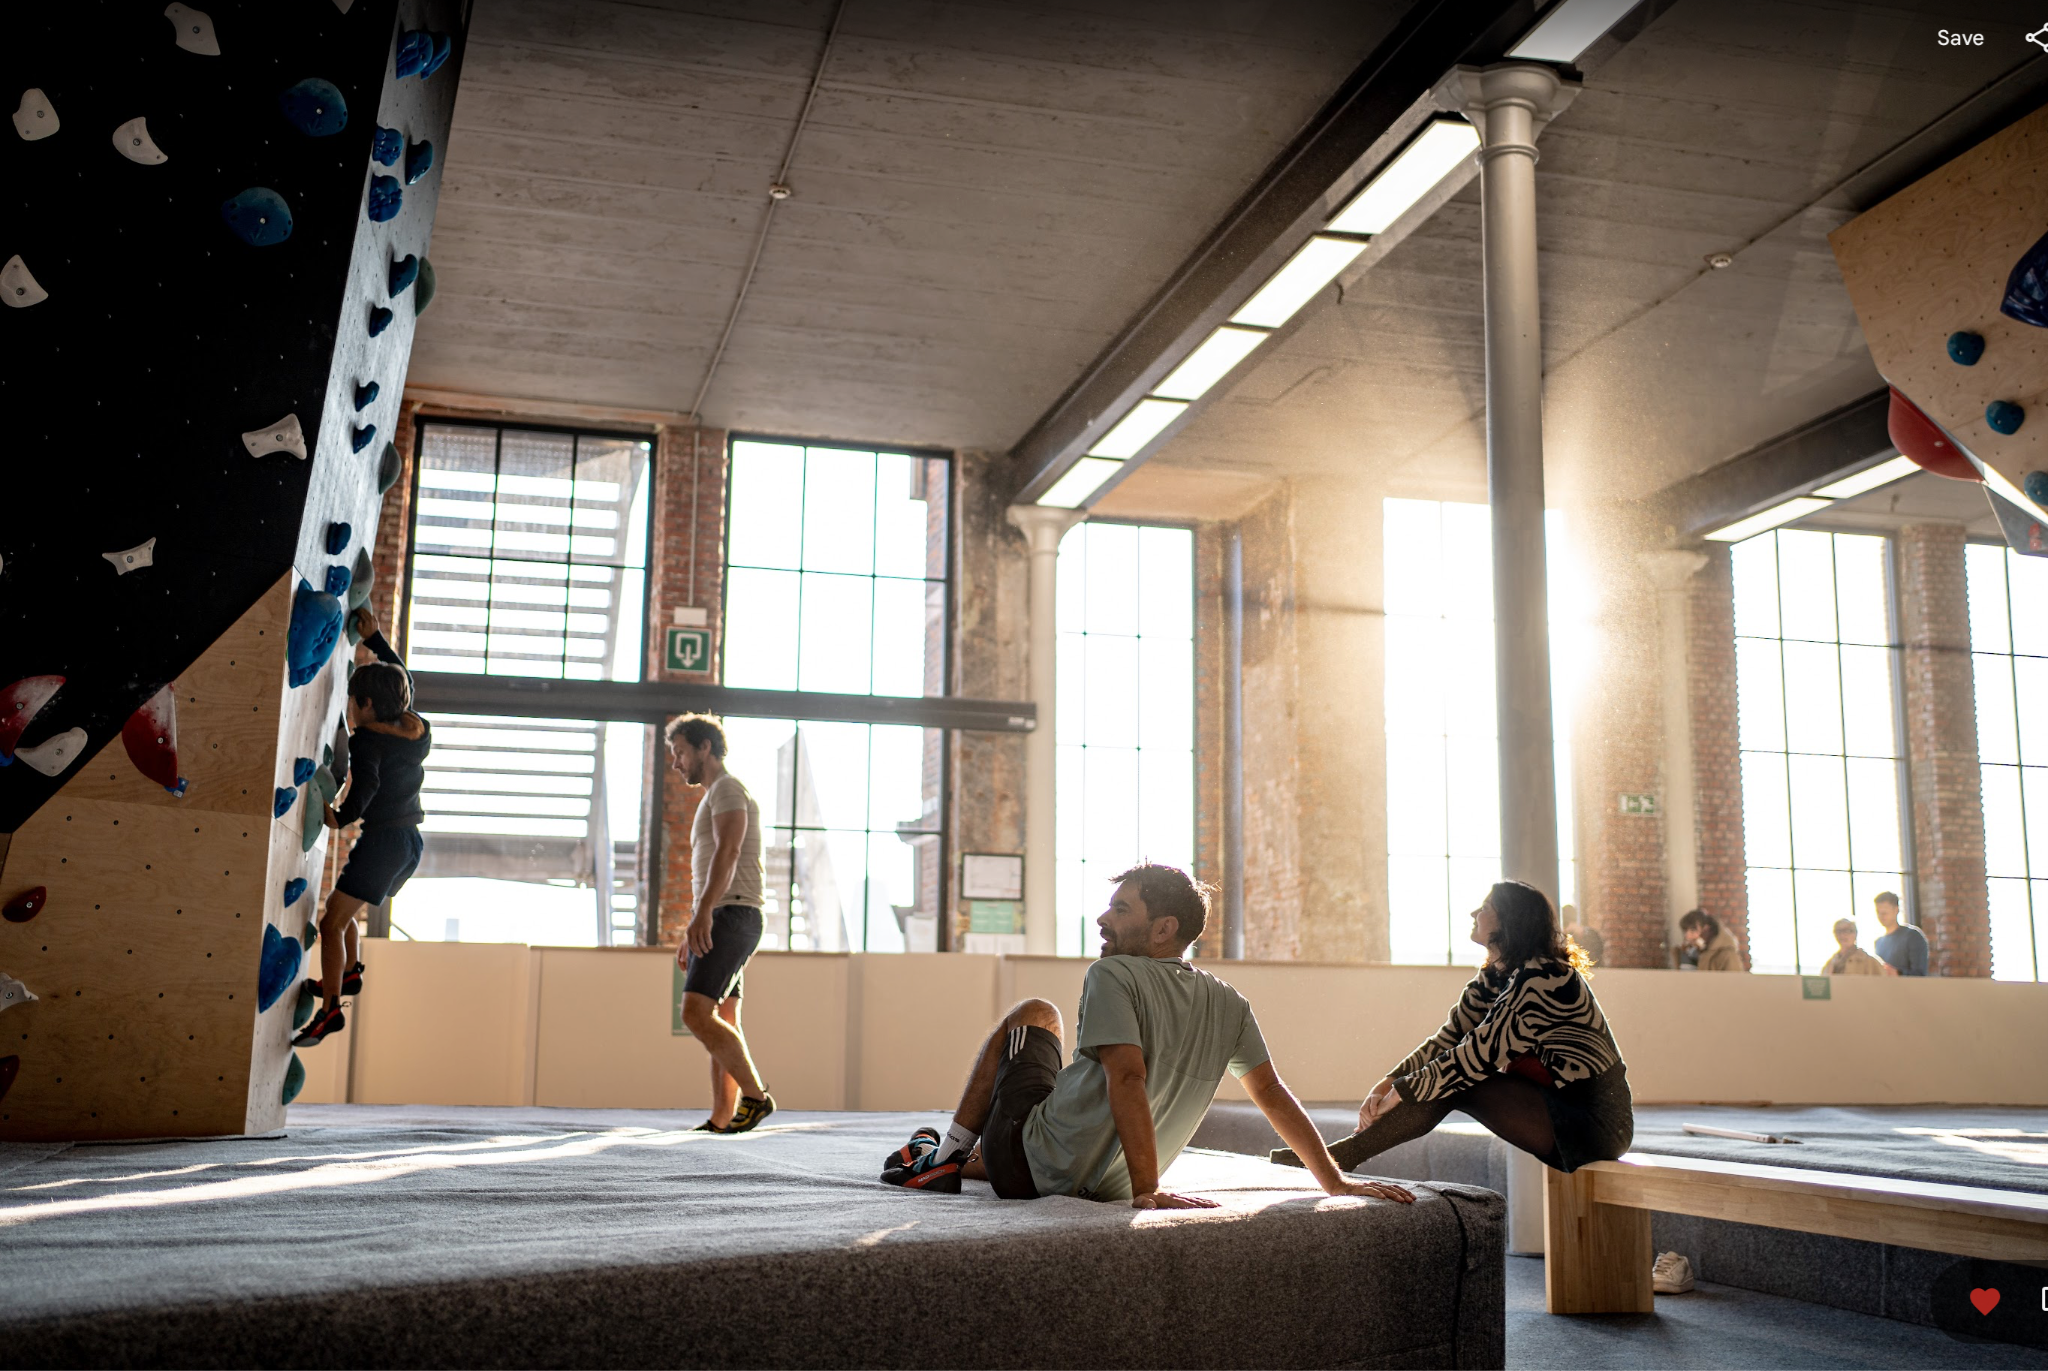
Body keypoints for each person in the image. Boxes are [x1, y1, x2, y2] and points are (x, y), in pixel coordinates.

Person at [879, 863, 1414, 1209]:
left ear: (1164, 929)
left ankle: (946, 1153)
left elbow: (1128, 1076)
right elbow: (1272, 1094)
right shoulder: (1229, 1002)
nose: (1101, 918)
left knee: (1035, 1014)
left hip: (1023, 1163)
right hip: (1096, 1187)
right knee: (1061, 1083)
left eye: (1120, 909)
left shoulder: (1111, 973)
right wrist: (1335, 1181)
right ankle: (943, 1152)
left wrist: (1148, 1189)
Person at [1274, 881, 1633, 1177]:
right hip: (1553, 1106)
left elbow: (1475, 1056)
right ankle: (1337, 1157)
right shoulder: (1495, 975)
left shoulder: (1545, 977)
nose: (1475, 913)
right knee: (1449, 1075)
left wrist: (1401, 1092)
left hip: (1596, 1123)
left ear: (1510, 920)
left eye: (1486, 907)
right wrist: (1386, 1082)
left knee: (1461, 1080)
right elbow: (1448, 1038)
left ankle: (1336, 1158)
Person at [295, 608, 429, 1047]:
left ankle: (330, 1009)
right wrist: (374, 641)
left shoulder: (369, 738)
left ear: (367, 705)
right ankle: (350, 972)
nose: (350, 710)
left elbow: (366, 782)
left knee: (331, 923)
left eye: (353, 702)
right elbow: (401, 680)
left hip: (385, 841)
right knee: (343, 907)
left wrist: (340, 816)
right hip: (408, 843)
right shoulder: (417, 730)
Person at [668, 714, 775, 1134]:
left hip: (733, 914)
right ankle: (722, 1117)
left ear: (704, 748)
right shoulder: (716, 794)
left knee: (695, 1012)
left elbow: (728, 853)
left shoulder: (729, 789)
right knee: (723, 1015)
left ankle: (756, 1097)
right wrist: (695, 921)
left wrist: (703, 914)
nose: (677, 763)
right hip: (725, 913)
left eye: (680, 753)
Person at [1871, 892, 1928, 976]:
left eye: (1885, 911)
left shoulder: (1913, 936)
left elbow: (1920, 974)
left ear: (1896, 910)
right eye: (1878, 911)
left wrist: (1898, 973)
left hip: (1909, 988)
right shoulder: (1879, 942)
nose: (1881, 915)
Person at [1676, 909, 1743, 972]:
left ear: (1706, 930)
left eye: (1693, 930)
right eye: (1685, 931)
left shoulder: (1727, 954)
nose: (1688, 937)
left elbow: (1736, 982)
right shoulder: (1691, 953)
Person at [1822, 918, 1893, 977]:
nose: (1843, 935)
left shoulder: (1869, 962)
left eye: (1848, 931)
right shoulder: (1831, 963)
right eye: (1839, 931)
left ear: (1855, 934)